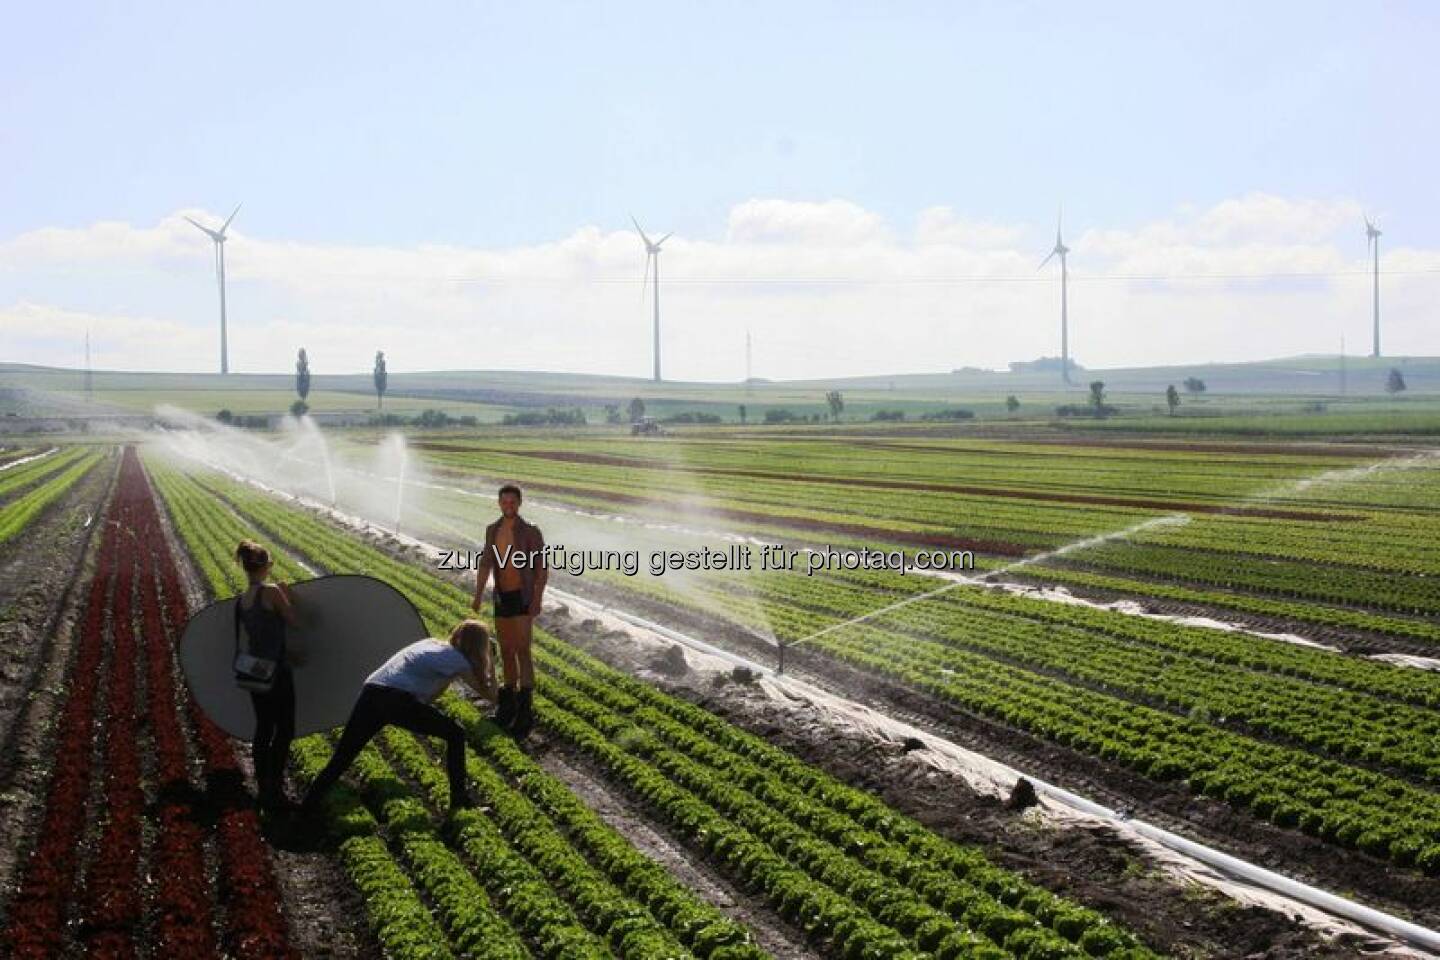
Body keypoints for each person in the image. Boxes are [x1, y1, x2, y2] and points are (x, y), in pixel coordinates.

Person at [299, 620, 495, 816]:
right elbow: (490, 695)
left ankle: (306, 807)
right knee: (456, 734)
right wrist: (491, 664)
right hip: (396, 700)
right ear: (478, 645)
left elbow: (430, 695)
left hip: (372, 691)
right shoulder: (457, 660)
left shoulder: (432, 644)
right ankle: (459, 800)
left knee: (343, 756)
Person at [471, 482, 547, 738]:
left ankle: (525, 711)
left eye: (513, 502)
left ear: (520, 503)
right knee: (505, 649)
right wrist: (478, 596)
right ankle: (508, 706)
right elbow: (485, 564)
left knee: (523, 650)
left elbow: (541, 569)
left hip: (523, 596)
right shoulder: (493, 530)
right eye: (504, 502)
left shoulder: (531, 532)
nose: (508, 506)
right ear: (499, 503)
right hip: (503, 596)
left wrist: (537, 599)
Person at [234, 539, 300, 811]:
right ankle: (276, 782)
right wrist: (289, 596)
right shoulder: (271, 592)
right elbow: (293, 622)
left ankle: (263, 785)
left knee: (263, 728)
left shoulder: (242, 600)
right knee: (285, 728)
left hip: (254, 670)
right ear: (264, 567)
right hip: (278, 670)